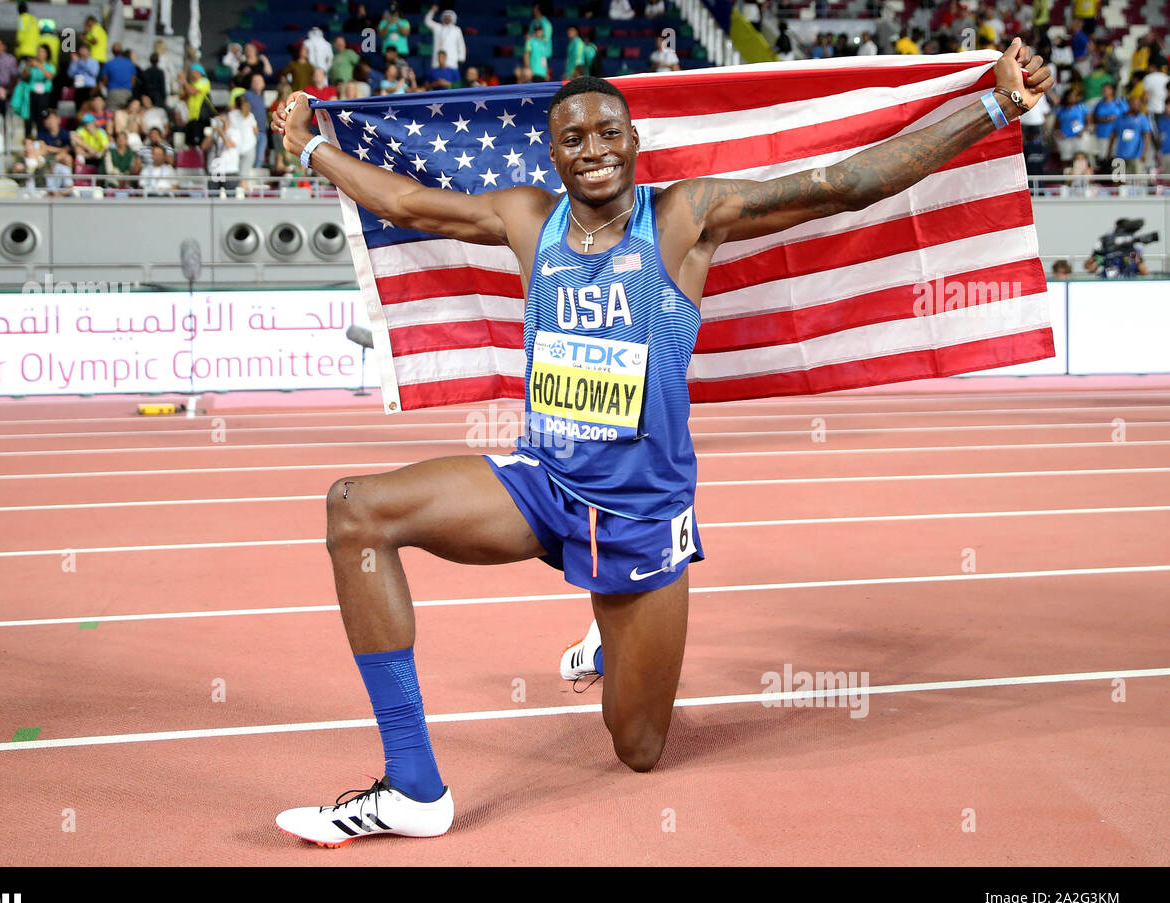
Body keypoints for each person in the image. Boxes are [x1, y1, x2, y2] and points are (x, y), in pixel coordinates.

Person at [270, 42, 1055, 845]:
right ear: (554, 153)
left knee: (637, 749)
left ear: (635, 140)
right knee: (356, 511)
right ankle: (413, 789)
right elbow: (408, 204)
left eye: (608, 132)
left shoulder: (684, 216)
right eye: (573, 138)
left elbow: (849, 185)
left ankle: (609, 638)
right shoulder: (525, 218)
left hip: (640, 512)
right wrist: (314, 149)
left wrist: (995, 105)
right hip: (542, 482)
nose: (593, 150)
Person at [424, 7, 467, 72]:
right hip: (438, 60)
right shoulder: (437, 27)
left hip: (452, 59)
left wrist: (461, 58)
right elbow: (427, 21)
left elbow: (461, 45)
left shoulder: (457, 30)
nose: (447, 18)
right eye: (445, 17)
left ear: (453, 18)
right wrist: (432, 11)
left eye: (449, 17)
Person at [102, 46, 138, 111]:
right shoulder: (130, 63)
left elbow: (105, 80)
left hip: (113, 92)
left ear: (112, 52)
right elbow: (133, 80)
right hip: (127, 92)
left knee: (111, 113)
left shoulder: (109, 63)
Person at [68, 46, 101, 110]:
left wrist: (82, 63)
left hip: (90, 88)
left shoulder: (94, 61)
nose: (83, 52)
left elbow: (94, 73)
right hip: (79, 86)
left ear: (89, 52)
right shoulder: (75, 61)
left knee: (89, 106)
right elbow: (70, 74)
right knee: (78, 107)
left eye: (84, 50)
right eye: (81, 50)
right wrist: (75, 62)